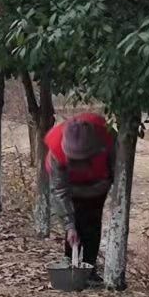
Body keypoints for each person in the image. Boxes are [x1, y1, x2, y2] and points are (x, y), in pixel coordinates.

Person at [45, 113, 116, 270]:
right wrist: (69, 226)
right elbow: (60, 191)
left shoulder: (107, 137)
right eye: (74, 160)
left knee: (92, 220)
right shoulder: (56, 152)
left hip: (99, 182)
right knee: (75, 222)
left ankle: (89, 267)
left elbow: (117, 170)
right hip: (71, 186)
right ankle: (70, 263)